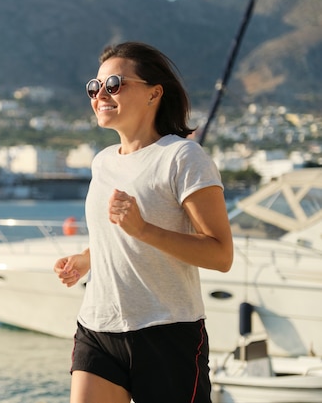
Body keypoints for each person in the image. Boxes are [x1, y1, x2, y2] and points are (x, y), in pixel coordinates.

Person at [53, 41, 233, 403]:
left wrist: (144, 229)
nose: (101, 93)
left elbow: (220, 254)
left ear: (154, 93)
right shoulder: (102, 161)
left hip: (167, 333)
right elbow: (115, 237)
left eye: (114, 84)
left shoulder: (182, 157)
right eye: (95, 86)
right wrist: (86, 259)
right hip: (98, 328)